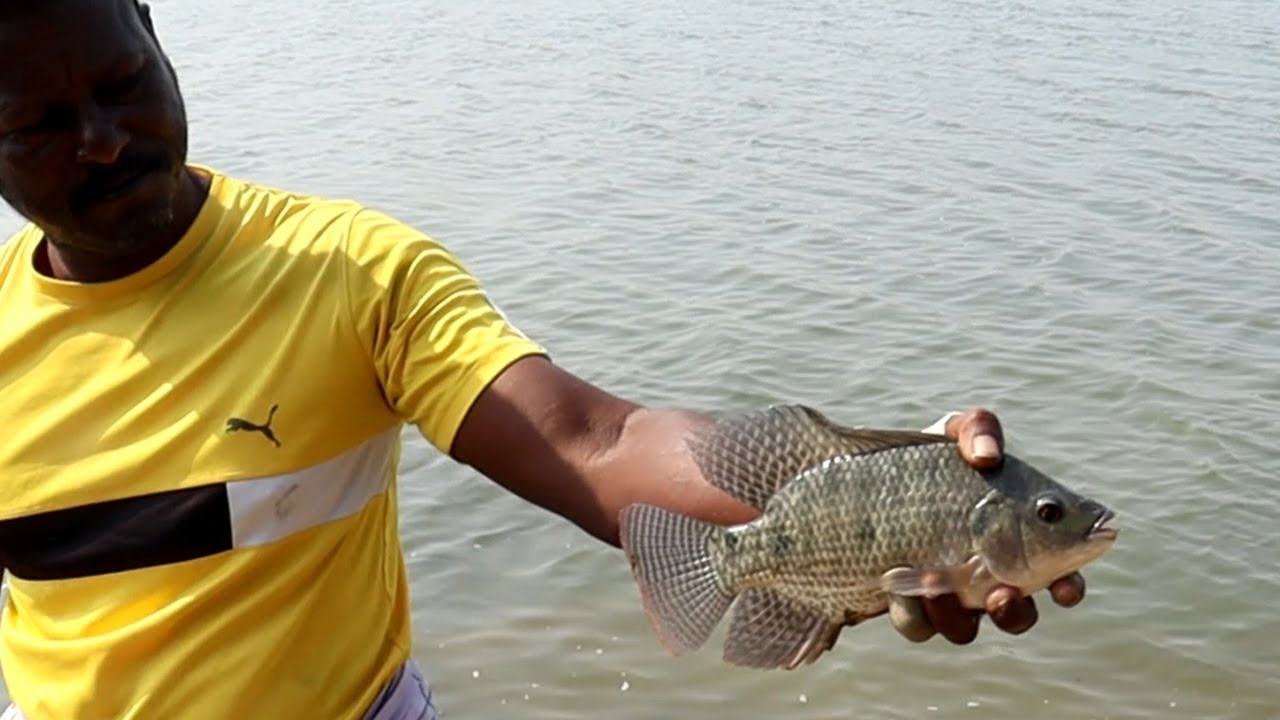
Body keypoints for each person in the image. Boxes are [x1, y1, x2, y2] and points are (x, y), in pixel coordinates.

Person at [0, 2, 1088, 718]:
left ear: (154, 28)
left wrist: (893, 484)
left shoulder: (348, 272)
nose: (103, 137)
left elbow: (596, 440)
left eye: (124, 79)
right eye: (40, 122)